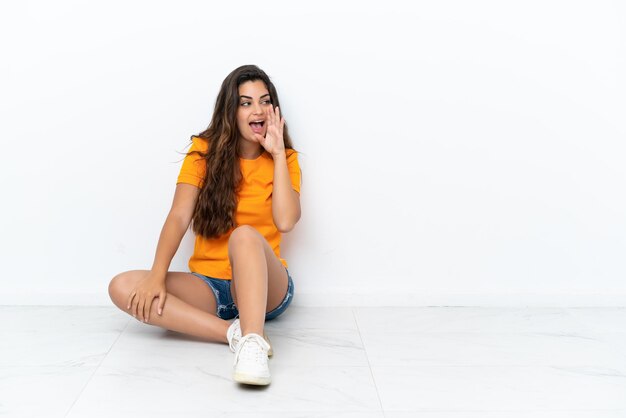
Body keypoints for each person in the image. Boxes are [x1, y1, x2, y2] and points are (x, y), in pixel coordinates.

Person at [108, 65, 302, 386]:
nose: (258, 110)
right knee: (123, 286)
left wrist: (278, 154)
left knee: (243, 236)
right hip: (212, 288)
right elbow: (179, 216)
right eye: (246, 102)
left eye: (265, 101)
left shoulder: (286, 159)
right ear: (231, 110)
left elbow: (285, 220)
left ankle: (254, 339)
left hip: (268, 288)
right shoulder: (203, 152)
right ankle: (235, 333)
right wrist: (156, 276)